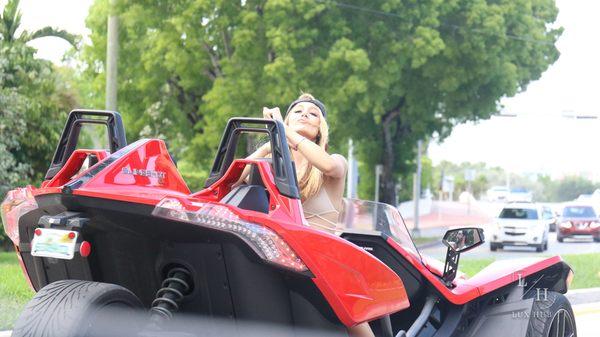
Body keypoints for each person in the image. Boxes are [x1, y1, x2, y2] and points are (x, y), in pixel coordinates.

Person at [240, 93, 374, 337]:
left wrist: (283, 131)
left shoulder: (334, 161)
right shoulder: (273, 165)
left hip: (322, 259)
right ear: (288, 121)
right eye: (298, 111)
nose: (305, 114)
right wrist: (273, 139)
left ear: (320, 128)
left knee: (349, 311)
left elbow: (329, 166)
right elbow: (236, 177)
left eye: (313, 114)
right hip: (279, 256)